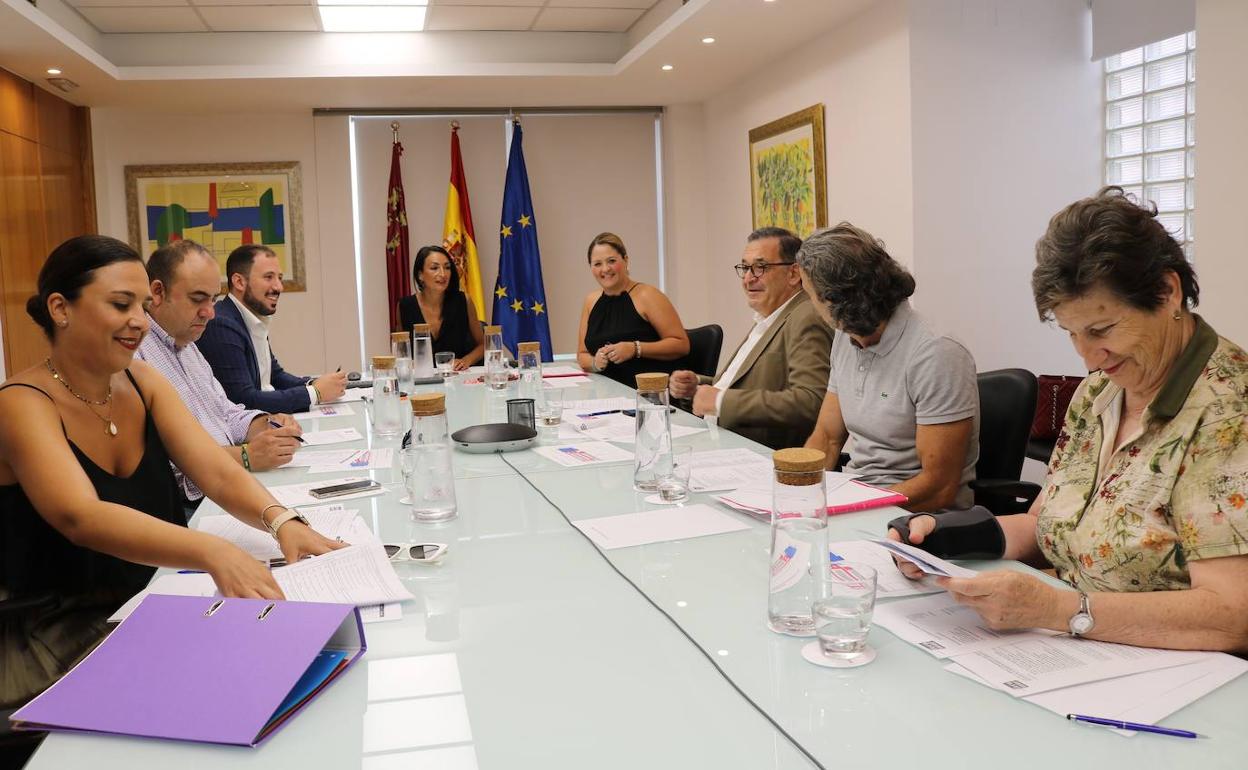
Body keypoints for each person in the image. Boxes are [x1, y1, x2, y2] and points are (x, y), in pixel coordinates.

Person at [890, 187, 1248, 653]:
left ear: (1168, 292)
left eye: (1102, 330)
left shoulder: (1228, 411)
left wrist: (1059, 610)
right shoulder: (1101, 392)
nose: (1088, 357)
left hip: (1174, 674)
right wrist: (947, 537)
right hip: (1076, 649)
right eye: (1071, 333)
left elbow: (1231, 616)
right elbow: (1050, 528)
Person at [0, 235, 342, 714]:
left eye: (142, 304)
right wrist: (212, 550)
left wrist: (281, 519)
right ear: (60, 308)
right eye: (121, 304)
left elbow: (217, 472)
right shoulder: (20, 402)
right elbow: (80, 515)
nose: (139, 321)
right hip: (61, 627)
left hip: (156, 600)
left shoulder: (143, 381)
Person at [800, 223, 979, 511]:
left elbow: (939, 488)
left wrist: (848, 508)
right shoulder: (845, 336)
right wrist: (796, 495)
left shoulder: (936, 353)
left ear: (834, 301)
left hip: (917, 515)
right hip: (860, 498)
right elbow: (827, 437)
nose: (811, 305)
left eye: (809, 295)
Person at [136, 240, 304, 514]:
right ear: (157, 292)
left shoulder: (189, 345)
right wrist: (246, 457)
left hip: (227, 484)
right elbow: (167, 465)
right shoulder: (136, 356)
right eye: (197, 299)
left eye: (213, 300)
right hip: (192, 505)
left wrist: (264, 423)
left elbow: (225, 413)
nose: (210, 313)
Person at [668, 228, 832, 450]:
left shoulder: (805, 316)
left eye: (760, 268)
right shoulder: (770, 315)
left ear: (793, 274)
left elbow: (810, 401)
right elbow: (749, 383)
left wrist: (720, 401)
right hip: (719, 440)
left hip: (758, 455)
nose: (747, 279)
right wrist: (698, 386)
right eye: (745, 268)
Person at [198, 244, 346, 413]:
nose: (279, 287)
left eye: (280, 278)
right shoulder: (221, 324)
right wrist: (315, 393)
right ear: (239, 282)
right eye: (269, 277)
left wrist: (315, 384)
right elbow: (243, 400)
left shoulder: (251, 318)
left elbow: (275, 376)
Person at [577, 232, 689, 386]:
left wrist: (635, 348)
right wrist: (595, 362)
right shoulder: (591, 301)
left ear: (625, 260)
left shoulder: (648, 295)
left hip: (648, 392)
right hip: (607, 392)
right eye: (597, 264)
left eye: (611, 261)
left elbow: (681, 345)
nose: (605, 269)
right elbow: (582, 355)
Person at [397, 245, 484, 371]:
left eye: (447, 267)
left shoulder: (463, 301)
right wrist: (407, 363)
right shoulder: (405, 306)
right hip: (422, 381)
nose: (443, 274)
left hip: (457, 378)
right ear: (420, 275)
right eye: (434, 268)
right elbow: (399, 351)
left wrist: (466, 360)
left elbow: (483, 345)